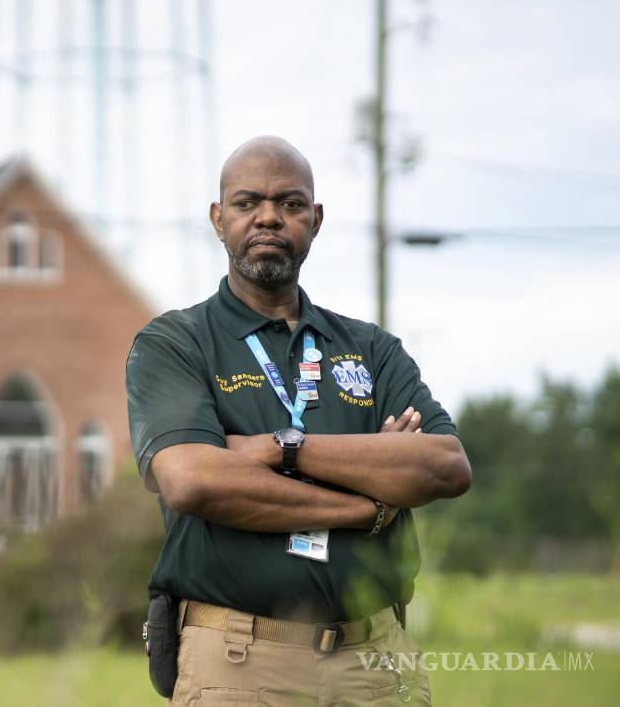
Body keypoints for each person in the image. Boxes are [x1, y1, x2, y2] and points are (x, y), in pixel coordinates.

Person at [127, 136, 471, 706]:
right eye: (247, 203)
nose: (268, 217)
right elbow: (193, 480)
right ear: (218, 220)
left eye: (289, 204)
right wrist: (370, 504)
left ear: (315, 219)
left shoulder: (370, 350)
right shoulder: (176, 343)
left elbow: (444, 466)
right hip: (239, 660)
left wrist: (282, 448)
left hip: (375, 662)